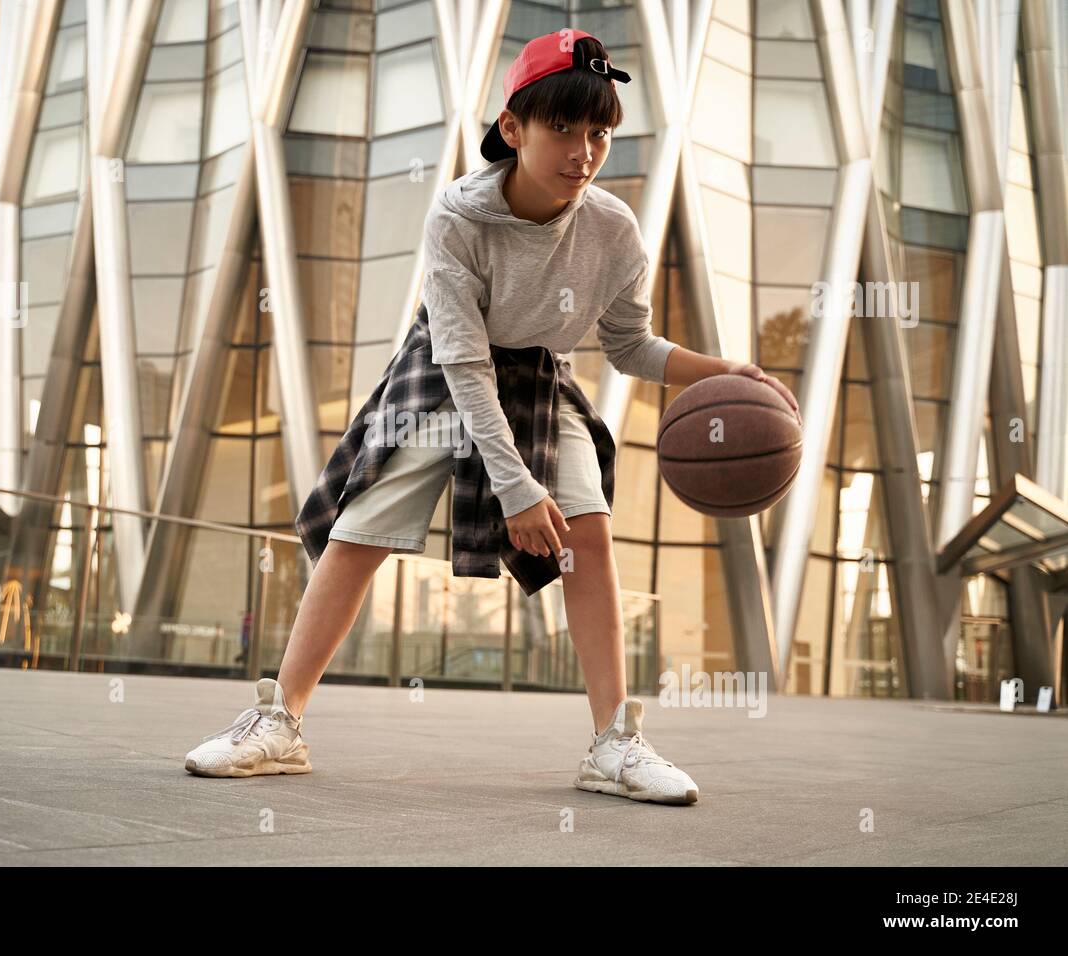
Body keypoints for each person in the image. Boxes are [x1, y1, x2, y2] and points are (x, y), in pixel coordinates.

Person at [184, 30, 799, 805]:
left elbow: (630, 344)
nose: (583, 151)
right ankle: (279, 724)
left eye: (600, 133)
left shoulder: (613, 229)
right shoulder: (459, 214)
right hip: (445, 366)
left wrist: (727, 372)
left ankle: (614, 743)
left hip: (541, 374)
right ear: (514, 129)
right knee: (360, 526)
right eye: (564, 129)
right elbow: (466, 365)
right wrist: (512, 487)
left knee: (589, 531)